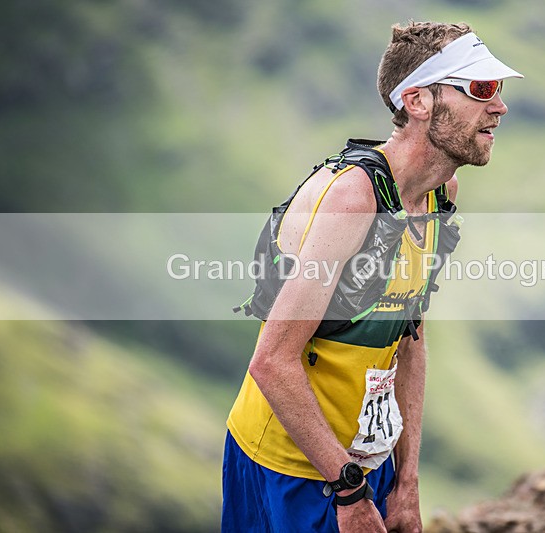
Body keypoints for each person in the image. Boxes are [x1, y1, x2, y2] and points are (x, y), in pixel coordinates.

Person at [222, 20, 523, 533]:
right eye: (481, 89)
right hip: (293, 469)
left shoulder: (439, 194)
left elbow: (410, 339)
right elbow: (272, 361)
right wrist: (349, 493)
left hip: (362, 466)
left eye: (498, 90)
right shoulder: (353, 199)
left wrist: (406, 482)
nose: (500, 106)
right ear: (418, 101)